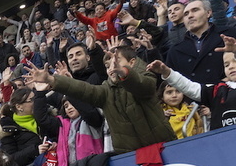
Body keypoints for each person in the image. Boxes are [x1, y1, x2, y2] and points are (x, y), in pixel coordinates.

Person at [24, 44, 176, 154]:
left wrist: (123, 72)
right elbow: (84, 90)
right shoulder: (106, 91)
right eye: (108, 65)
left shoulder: (147, 77)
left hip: (166, 148)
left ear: (132, 63)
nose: (111, 68)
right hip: (129, 158)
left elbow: (143, 87)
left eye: (116, 63)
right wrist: (52, 80)